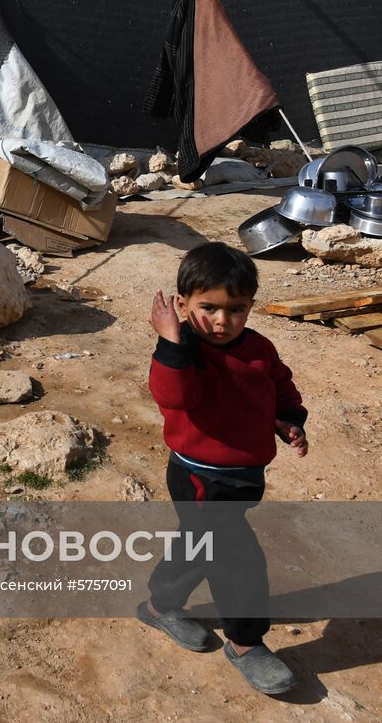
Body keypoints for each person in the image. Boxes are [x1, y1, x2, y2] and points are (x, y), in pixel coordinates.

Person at [135, 241, 309, 696]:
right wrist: (171, 339)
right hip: (199, 477)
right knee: (237, 557)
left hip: (244, 475)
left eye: (236, 309)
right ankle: (246, 642)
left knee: (198, 547)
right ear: (182, 305)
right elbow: (173, 396)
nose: (221, 321)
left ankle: (159, 605)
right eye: (208, 307)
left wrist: (288, 420)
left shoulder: (258, 349)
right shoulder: (183, 353)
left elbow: (277, 385)